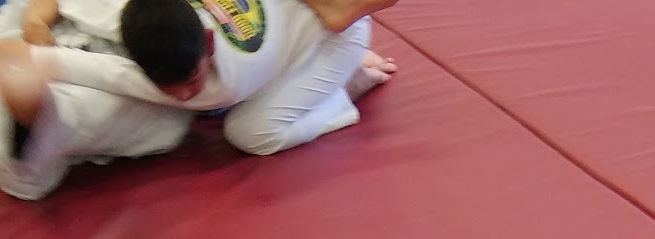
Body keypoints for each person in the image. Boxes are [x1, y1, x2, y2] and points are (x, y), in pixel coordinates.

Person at [0, 0, 393, 198]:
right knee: (249, 129)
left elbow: (24, 16)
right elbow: (30, 177)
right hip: (137, 91)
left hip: (154, 43)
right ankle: (339, 84)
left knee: (231, 103)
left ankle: (334, 60)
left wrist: (37, 17)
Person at [34, 0, 396, 156]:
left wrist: (33, 57)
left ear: (208, 44)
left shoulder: (219, 86)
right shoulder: (135, 14)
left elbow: (109, 75)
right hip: (295, 25)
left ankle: (343, 90)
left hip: (336, 42)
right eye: (167, 85)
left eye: (191, 78)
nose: (184, 94)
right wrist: (34, 20)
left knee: (250, 134)